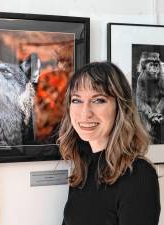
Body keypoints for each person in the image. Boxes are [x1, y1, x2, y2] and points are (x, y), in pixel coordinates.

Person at [58, 62, 160, 225]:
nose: (85, 113)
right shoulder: (83, 166)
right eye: (77, 100)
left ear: (120, 107)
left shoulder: (138, 175)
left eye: (98, 100)